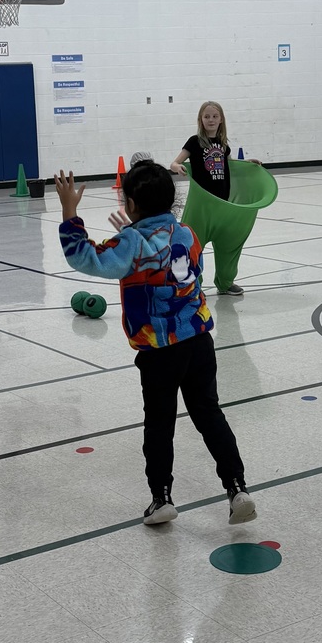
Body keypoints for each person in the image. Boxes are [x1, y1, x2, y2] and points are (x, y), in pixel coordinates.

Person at [54, 160, 257, 527]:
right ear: (172, 200)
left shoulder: (131, 242)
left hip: (159, 350)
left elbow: (88, 257)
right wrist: (131, 234)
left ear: (129, 203)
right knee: (209, 415)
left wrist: (70, 212)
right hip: (198, 340)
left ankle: (161, 498)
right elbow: (166, 261)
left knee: (159, 423)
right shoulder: (188, 234)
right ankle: (237, 487)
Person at [169, 101, 261, 296]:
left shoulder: (223, 144)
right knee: (192, 243)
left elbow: (230, 166)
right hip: (201, 205)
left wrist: (247, 163)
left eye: (214, 116)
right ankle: (194, 284)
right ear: (201, 120)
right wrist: (177, 167)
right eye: (207, 116)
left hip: (223, 203)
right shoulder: (194, 142)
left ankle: (225, 282)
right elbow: (175, 162)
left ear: (221, 119)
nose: (211, 120)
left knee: (229, 244)